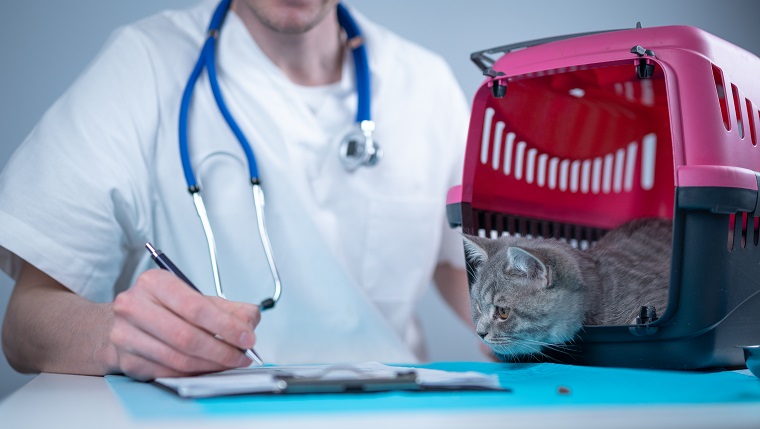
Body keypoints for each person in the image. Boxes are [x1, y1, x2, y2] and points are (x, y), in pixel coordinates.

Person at [0, 0, 472, 381]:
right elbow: (24, 326)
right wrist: (114, 335)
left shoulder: (424, 84)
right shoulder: (144, 63)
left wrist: (540, 333)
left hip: (393, 411)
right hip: (204, 414)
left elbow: (471, 280)